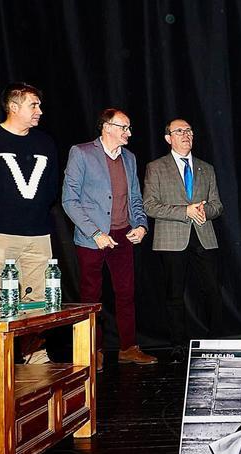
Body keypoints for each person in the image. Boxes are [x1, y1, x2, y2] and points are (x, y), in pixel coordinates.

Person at [62, 108, 156, 365]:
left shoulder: (130, 158)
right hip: (92, 237)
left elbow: (135, 198)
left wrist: (141, 226)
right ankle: (94, 351)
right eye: (124, 127)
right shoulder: (81, 153)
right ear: (107, 127)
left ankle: (128, 348)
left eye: (128, 128)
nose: (129, 133)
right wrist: (94, 233)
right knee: (91, 297)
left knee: (126, 293)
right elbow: (69, 200)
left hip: (123, 235)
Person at [0, 82, 58, 305]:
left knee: (40, 304)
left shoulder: (45, 142)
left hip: (38, 237)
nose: (40, 111)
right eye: (33, 105)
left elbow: (52, 187)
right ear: (14, 107)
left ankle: (35, 343)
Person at [144, 119, 223, 363]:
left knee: (212, 292)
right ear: (168, 138)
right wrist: (185, 211)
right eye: (179, 131)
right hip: (171, 239)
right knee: (174, 295)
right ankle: (178, 345)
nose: (186, 135)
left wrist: (203, 211)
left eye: (189, 130)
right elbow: (149, 205)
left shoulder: (206, 168)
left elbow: (217, 205)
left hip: (203, 237)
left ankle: (215, 342)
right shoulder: (155, 167)